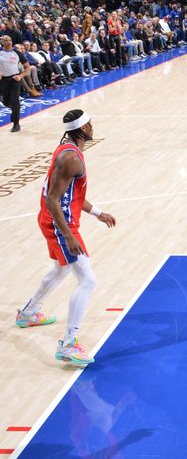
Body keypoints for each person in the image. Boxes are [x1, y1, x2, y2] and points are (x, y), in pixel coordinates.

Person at [16, 109, 117, 366]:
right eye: (90, 124)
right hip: (59, 223)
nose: (93, 127)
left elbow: (69, 194)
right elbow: (53, 200)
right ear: (82, 129)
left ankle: (28, 313)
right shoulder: (71, 158)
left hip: (55, 220)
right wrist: (68, 235)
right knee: (87, 281)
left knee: (61, 269)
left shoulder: (67, 150)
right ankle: (69, 345)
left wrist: (97, 212)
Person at [0, 34, 30, 132]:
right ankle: (14, 109)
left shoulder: (17, 53)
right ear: (2, 42)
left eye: (10, 40)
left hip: (15, 79)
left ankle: (16, 124)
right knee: (6, 102)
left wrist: (20, 76)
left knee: (14, 101)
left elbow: (27, 67)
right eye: (6, 40)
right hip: (3, 80)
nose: (8, 42)